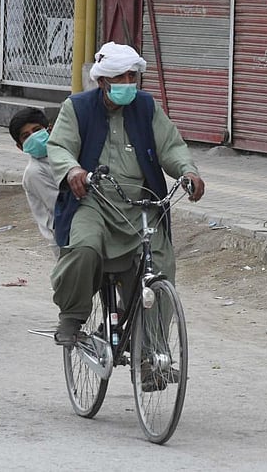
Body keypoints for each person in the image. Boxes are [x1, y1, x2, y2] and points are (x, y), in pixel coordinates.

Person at [46, 41, 205, 345]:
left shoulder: (146, 107)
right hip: (93, 201)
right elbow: (60, 147)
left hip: (142, 204)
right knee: (83, 249)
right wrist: (73, 170)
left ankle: (152, 355)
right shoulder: (77, 108)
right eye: (120, 78)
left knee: (160, 267)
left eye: (132, 77)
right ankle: (72, 316)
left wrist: (188, 171)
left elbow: (170, 146)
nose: (128, 84)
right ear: (102, 80)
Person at [8, 107, 60, 243]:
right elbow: (59, 206)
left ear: (49, 129)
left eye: (37, 130)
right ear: (20, 146)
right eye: (26, 136)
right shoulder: (34, 172)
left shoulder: (63, 154)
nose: (34, 137)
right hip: (64, 237)